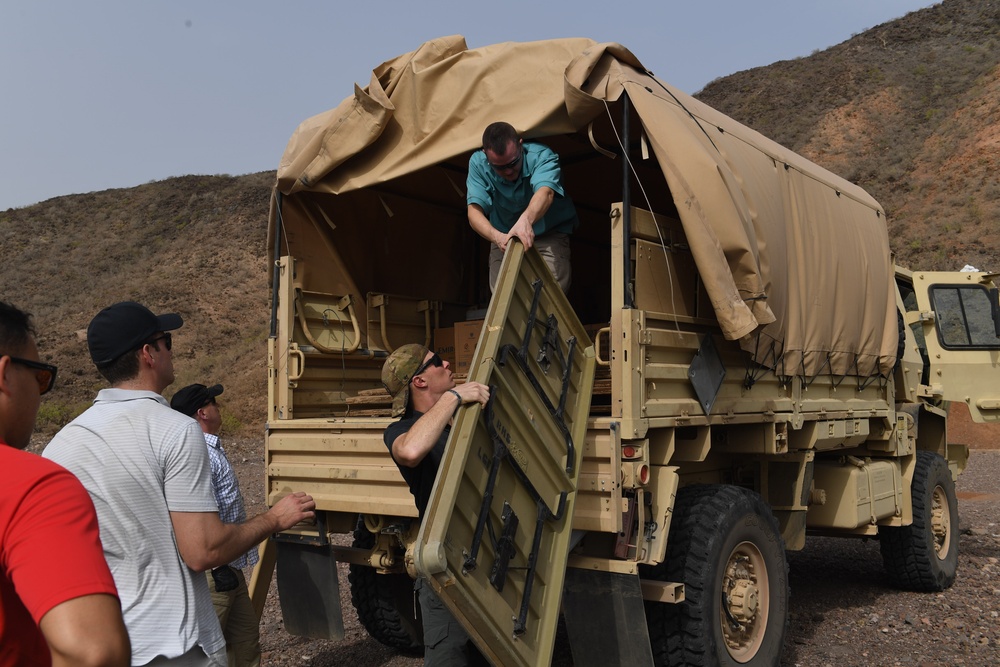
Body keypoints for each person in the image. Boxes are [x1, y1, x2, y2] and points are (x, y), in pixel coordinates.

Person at [44, 301, 315, 666]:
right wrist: (275, 518)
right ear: (148, 354)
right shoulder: (175, 429)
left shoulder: (62, 442)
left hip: (104, 643)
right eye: (165, 340)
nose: (171, 350)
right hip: (177, 646)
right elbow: (204, 550)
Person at [0, 300, 131, 667]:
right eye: (41, 377)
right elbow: (92, 652)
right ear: (4, 374)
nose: (42, 393)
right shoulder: (34, 486)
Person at [381, 343, 490, 665]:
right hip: (448, 562)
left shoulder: (463, 422)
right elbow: (411, 451)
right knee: (448, 655)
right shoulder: (400, 430)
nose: (446, 362)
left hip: (491, 557)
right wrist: (452, 398)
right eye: (435, 361)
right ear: (420, 381)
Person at [170, 383, 260, 667]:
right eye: (213, 403)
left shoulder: (209, 450)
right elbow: (195, 522)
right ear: (202, 413)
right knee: (207, 656)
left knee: (245, 646)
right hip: (213, 575)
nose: (218, 408)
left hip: (229, 567)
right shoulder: (199, 455)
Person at [467, 121, 579, 294]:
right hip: (503, 237)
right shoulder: (477, 163)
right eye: (499, 167)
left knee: (550, 299)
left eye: (513, 163)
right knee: (502, 299)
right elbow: (474, 211)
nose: (508, 171)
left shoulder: (542, 155)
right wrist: (497, 237)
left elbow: (545, 193)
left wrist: (525, 221)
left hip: (548, 234)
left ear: (521, 145)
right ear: (485, 156)